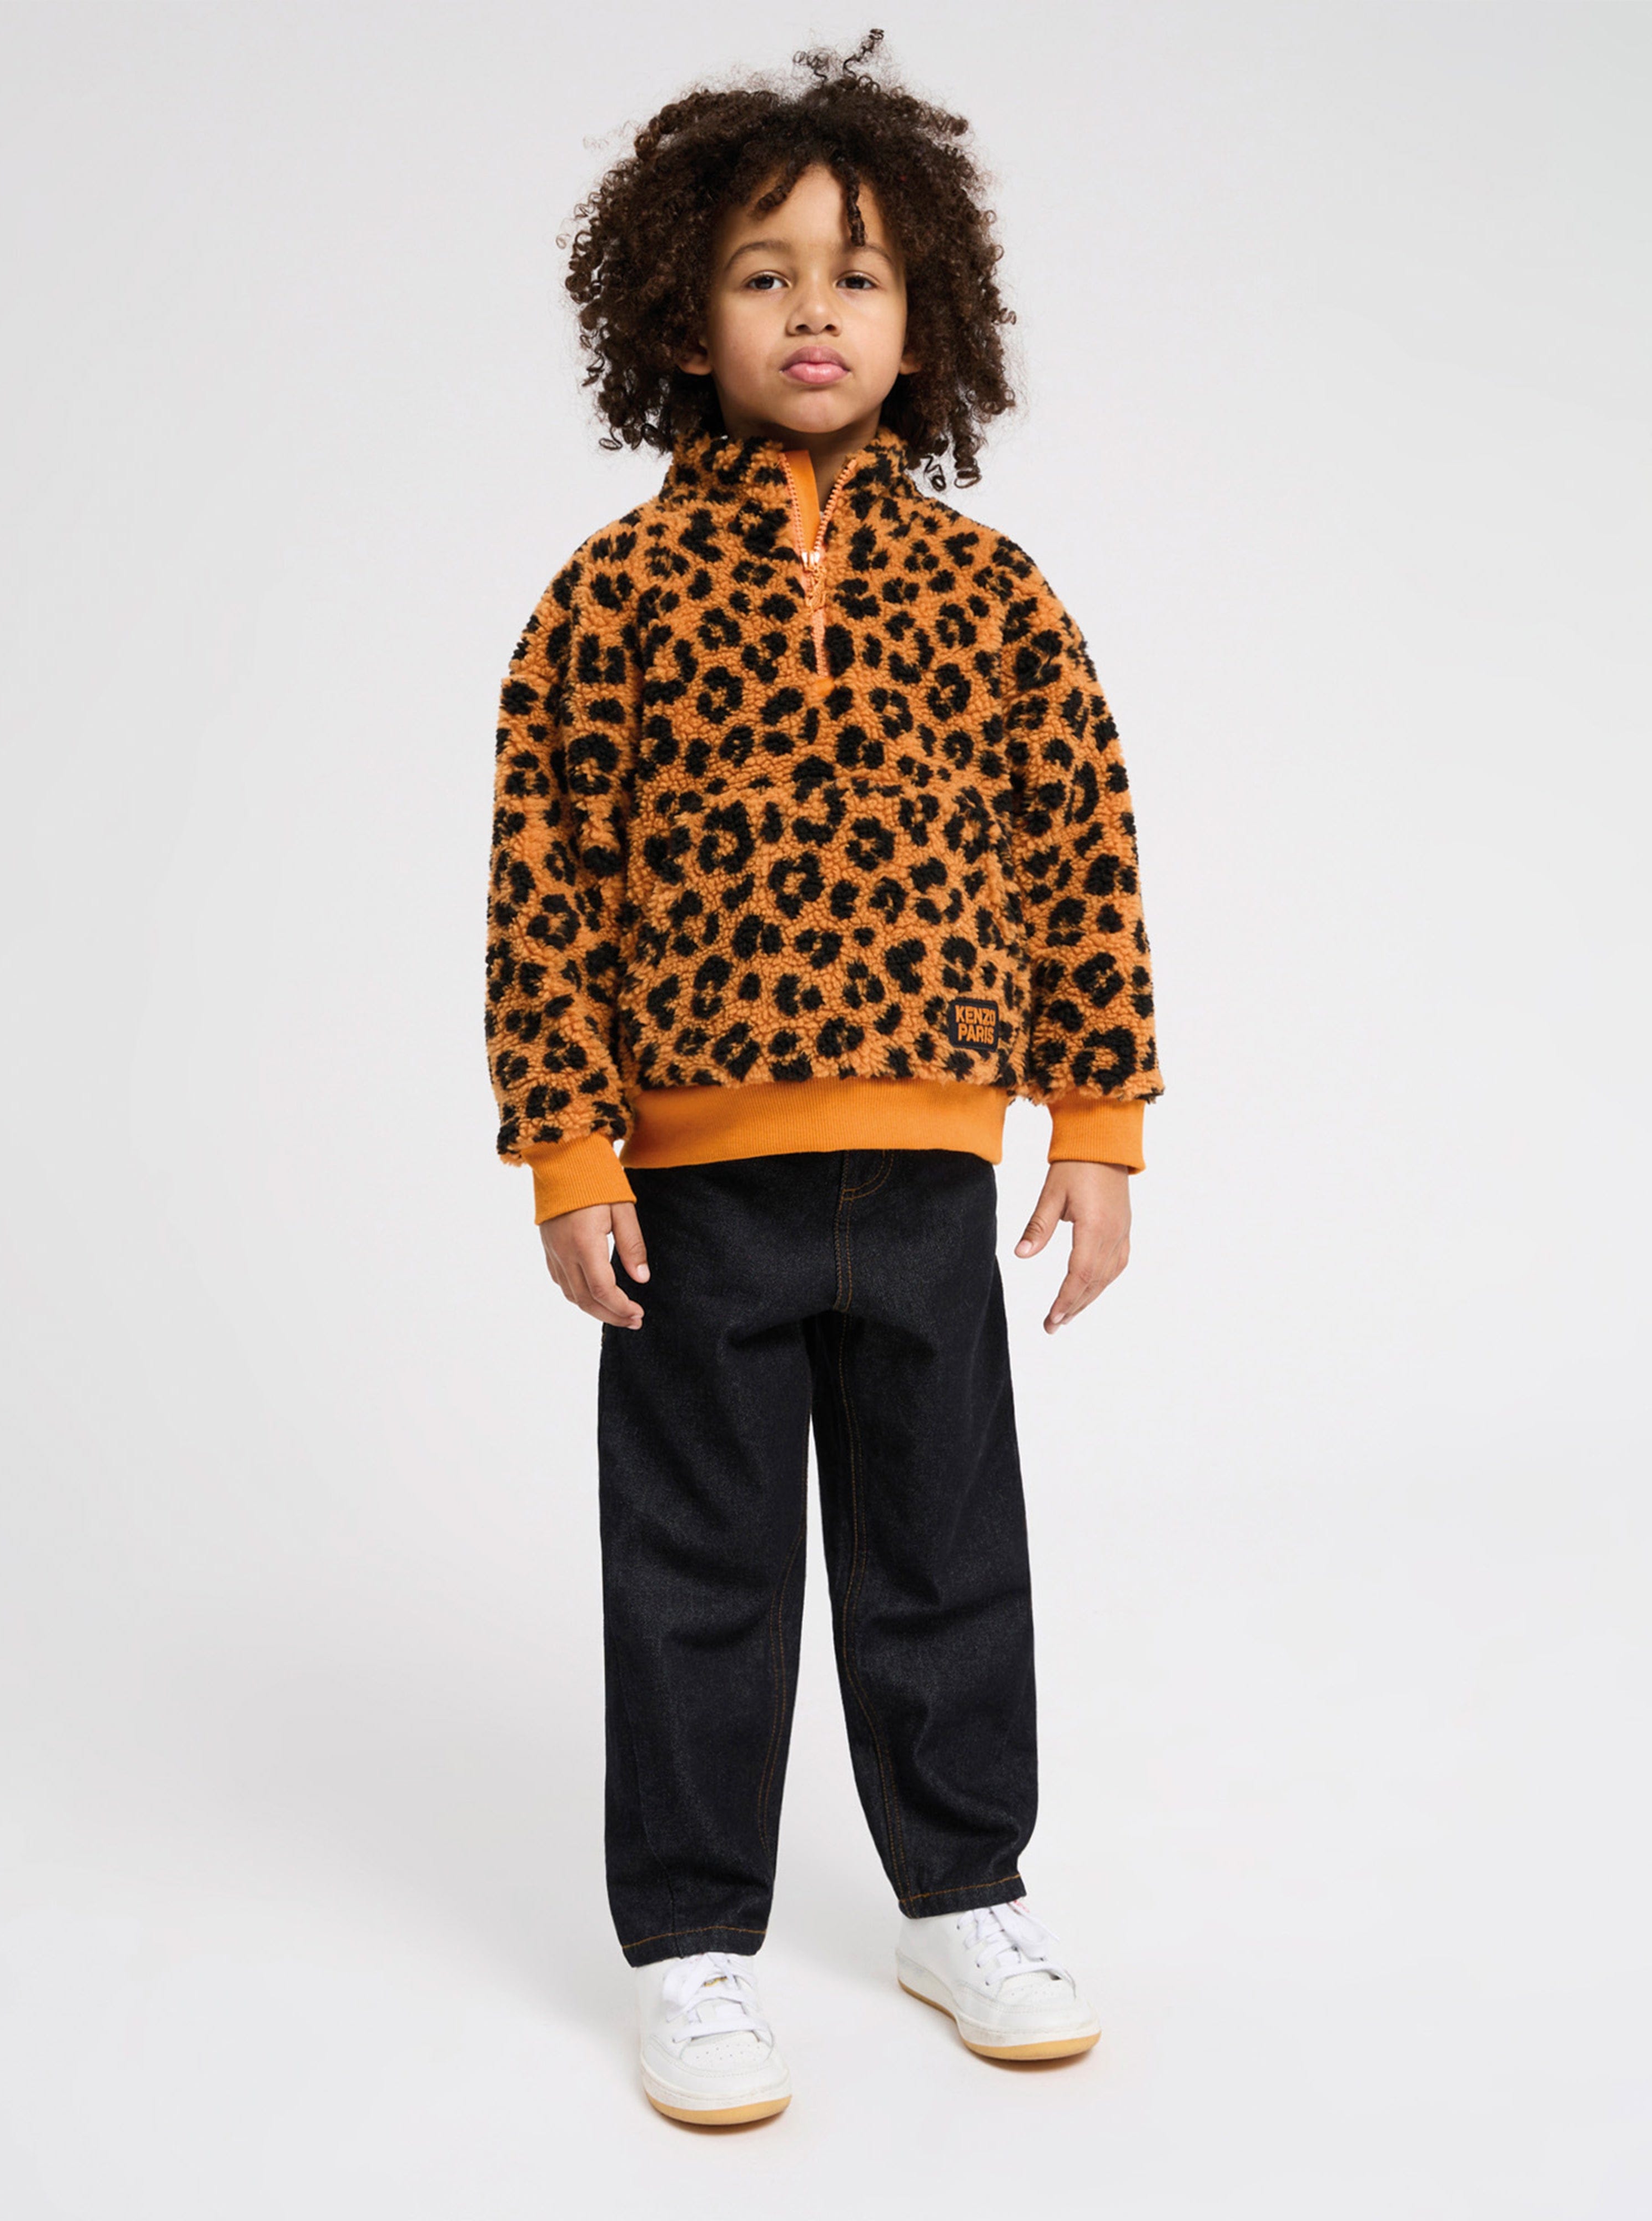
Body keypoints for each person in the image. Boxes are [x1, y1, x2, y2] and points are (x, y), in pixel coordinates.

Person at [484, 34, 1162, 2125]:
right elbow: (540, 887)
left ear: (922, 320)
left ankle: (965, 1894)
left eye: (856, 276)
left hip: (933, 1176)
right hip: (694, 1190)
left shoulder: (991, 595)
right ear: (680, 317)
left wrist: (1100, 1128)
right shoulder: (612, 598)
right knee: (699, 1568)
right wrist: (568, 1152)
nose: (812, 311)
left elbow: (1083, 852)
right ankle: (693, 1943)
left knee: (944, 1551)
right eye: (764, 273)